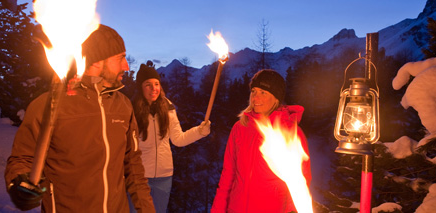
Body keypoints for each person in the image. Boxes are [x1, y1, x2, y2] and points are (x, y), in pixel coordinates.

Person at [4, 25, 155, 212]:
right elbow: (21, 159)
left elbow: (133, 167)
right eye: (120, 58)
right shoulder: (48, 105)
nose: (126, 66)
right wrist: (19, 182)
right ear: (96, 62)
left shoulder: (123, 105)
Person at [211, 69, 311, 213]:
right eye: (253, 91)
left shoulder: (291, 133)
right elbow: (228, 174)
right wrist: (218, 210)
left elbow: (301, 181)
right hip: (236, 208)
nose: (255, 98)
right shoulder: (240, 128)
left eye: (263, 92)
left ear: (276, 98)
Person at [129, 61, 211, 213]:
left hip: (164, 176)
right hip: (139, 176)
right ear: (140, 87)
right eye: (148, 84)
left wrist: (199, 131)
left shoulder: (167, 107)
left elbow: (178, 139)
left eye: (156, 84)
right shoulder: (131, 109)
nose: (154, 89)